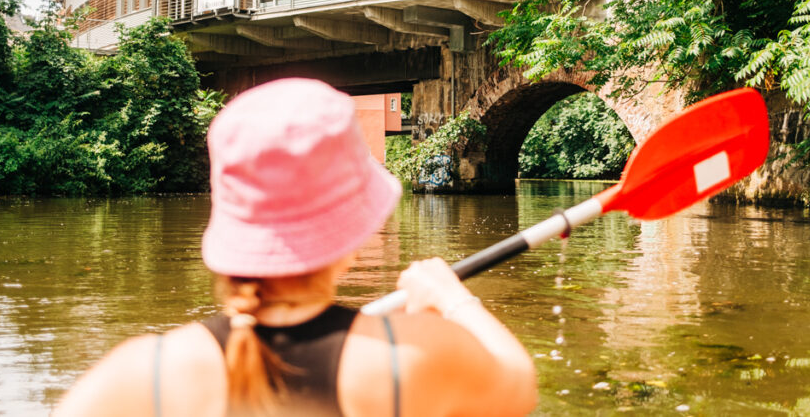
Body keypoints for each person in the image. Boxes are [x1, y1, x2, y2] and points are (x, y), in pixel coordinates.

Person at [54, 78, 538, 417]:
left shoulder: (141, 374)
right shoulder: (413, 358)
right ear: (354, 231)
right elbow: (518, 385)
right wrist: (453, 298)